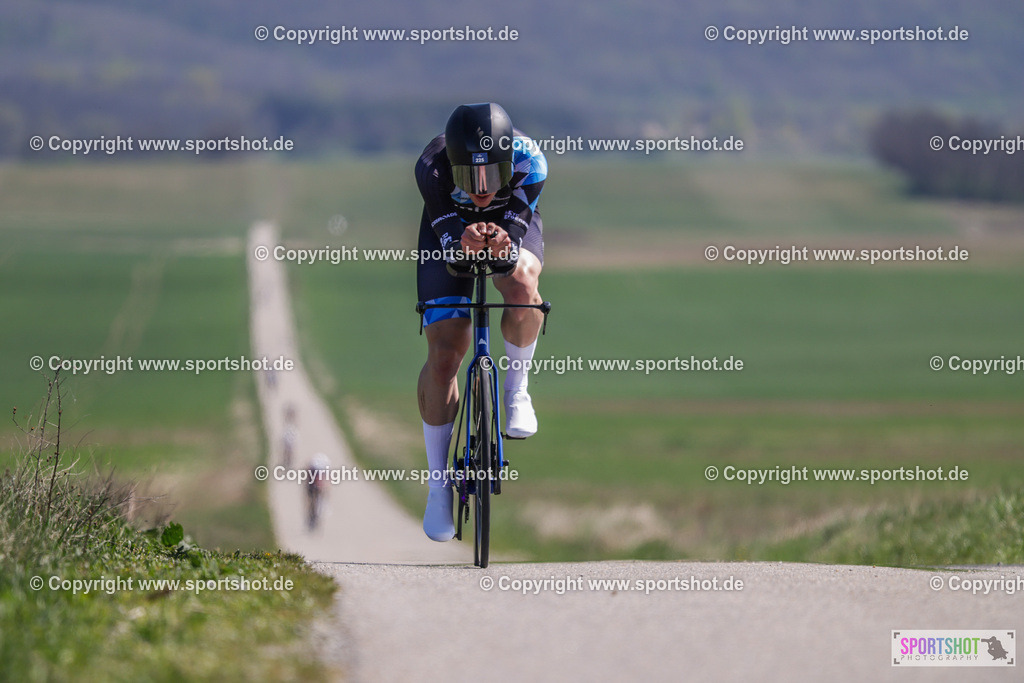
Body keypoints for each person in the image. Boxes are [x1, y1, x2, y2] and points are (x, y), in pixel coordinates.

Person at [415, 102, 548, 542]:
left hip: (511, 224)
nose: (481, 190)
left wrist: (501, 243)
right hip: (448, 227)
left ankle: (517, 390)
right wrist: (459, 238)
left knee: (523, 282)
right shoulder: (431, 168)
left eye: (492, 176)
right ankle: (439, 489)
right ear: (451, 167)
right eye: (468, 179)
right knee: (446, 354)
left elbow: (513, 245)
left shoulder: (531, 163)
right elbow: (448, 236)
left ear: (509, 162)